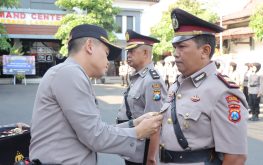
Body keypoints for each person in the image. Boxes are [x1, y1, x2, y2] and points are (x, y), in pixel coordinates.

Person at [29, 24, 163, 164]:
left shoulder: (68, 72)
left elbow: (93, 129)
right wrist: (138, 132)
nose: (108, 61)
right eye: (106, 54)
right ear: (89, 46)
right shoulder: (70, 73)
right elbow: (95, 136)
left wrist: (134, 124)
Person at [157, 8, 248, 165]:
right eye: (174, 47)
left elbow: (235, 158)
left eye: (182, 47)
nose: (175, 53)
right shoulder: (177, 85)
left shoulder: (221, 91)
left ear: (205, 51)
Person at [117, 29, 167, 165]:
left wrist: (151, 158)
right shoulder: (137, 77)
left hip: (142, 152)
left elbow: (156, 122)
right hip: (132, 146)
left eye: (132, 51)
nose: (128, 55)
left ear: (145, 53)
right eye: (128, 51)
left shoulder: (152, 80)